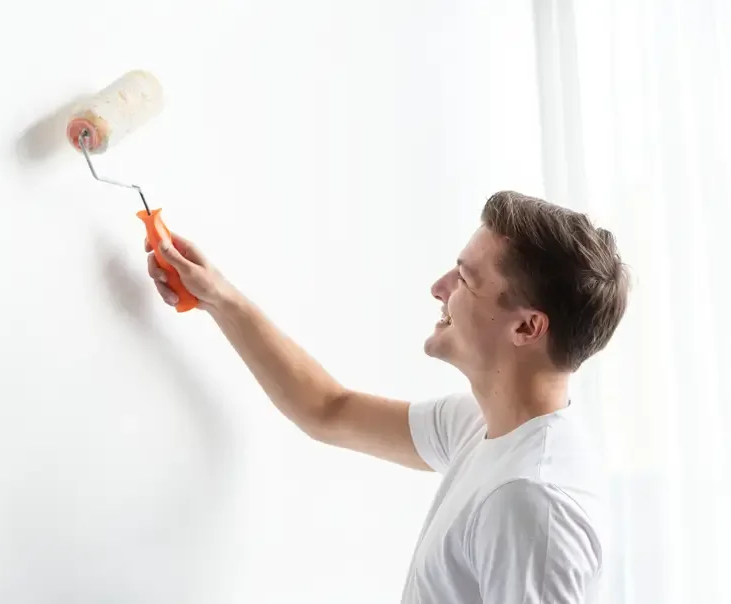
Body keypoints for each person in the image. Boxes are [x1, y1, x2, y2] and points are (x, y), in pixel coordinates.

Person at [143, 190, 630, 603]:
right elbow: (329, 410)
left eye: (465, 279)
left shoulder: (528, 501)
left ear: (526, 327)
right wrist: (218, 296)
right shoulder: (483, 427)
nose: (439, 288)